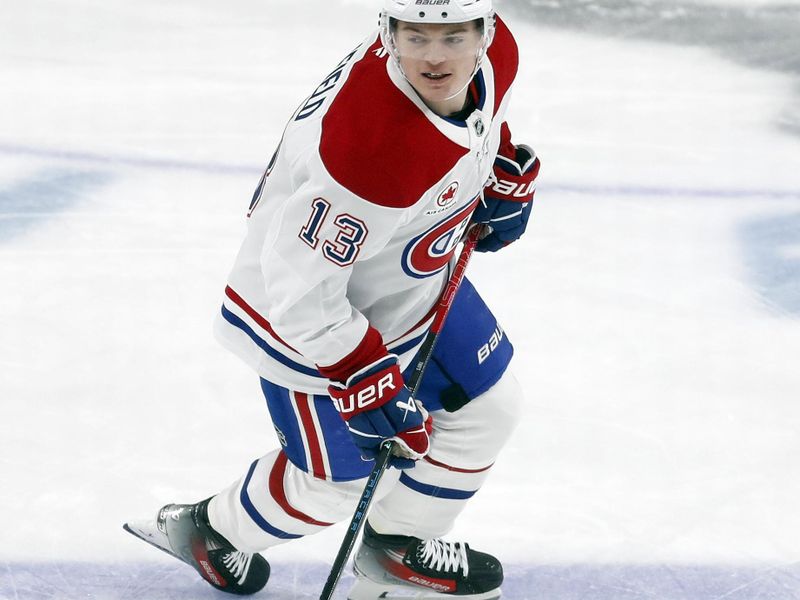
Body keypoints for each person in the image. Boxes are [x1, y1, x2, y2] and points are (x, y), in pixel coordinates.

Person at [124, 0, 540, 597]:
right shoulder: (371, 151)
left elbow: (474, 126)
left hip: (406, 272)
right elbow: (301, 287)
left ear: (486, 32)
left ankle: (395, 549)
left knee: (488, 411)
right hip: (310, 319)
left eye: (453, 36)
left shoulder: (497, 58)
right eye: (416, 37)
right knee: (336, 482)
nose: (435, 56)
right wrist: (358, 373)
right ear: (388, 34)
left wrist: (491, 175)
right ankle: (211, 530)